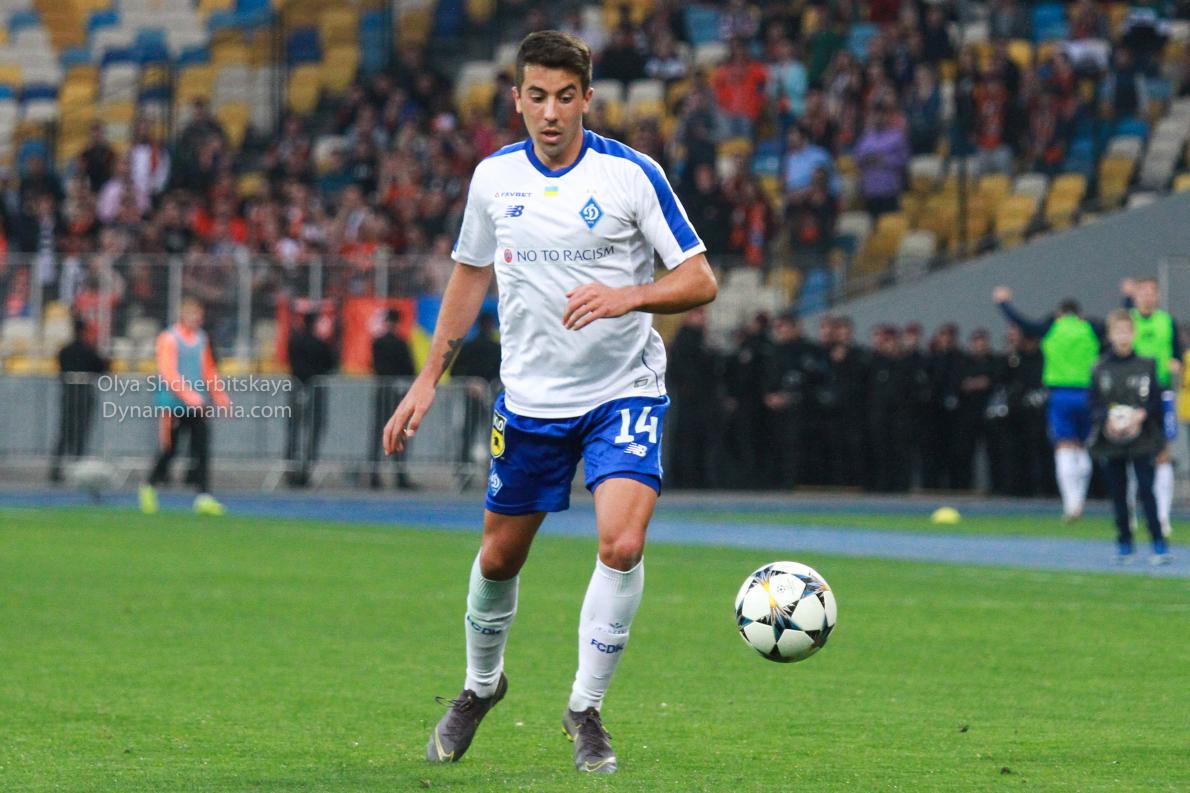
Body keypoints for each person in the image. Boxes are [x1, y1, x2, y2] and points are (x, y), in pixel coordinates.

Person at [383, 31, 717, 774]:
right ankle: (481, 686)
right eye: (537, 97)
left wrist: (630, 295)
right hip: (532, 399)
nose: (552, 112)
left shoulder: (632, 175)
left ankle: (585, 709)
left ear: (587, 99)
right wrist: (428, 377)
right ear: (517, 99)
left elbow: (700, 279)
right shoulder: (494, 179)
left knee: (622, 543)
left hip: (623, 389)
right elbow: (470, 275)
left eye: (566, 97)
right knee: (499, 556)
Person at [994, 286, 1103, 521]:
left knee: (1064, 447)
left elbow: (1023, 324)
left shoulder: (1052, 328)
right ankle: (1080, 498)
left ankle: (1071, 504)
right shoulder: (1090, 329)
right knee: (1083, 447)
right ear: (1079, 314)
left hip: (1060, 394)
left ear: (1059, 313)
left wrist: (1003, 303)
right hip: (1087, 394)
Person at [1089, 310, 1170, 564]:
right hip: (1111, 440)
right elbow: (1093, 403)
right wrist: (1107, 419)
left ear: (1133, 334)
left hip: (1142, 438)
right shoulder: (1100, 367)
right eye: (1118, 332)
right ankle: (1125, 542)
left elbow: (1156, 402)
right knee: (1118, 493)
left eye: (1127, 331)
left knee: (1147, 491)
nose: (1123, 337)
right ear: (1110, 335)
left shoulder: (1147, 365)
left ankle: (1158, 542)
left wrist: (1141, 415)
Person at [139, 297, 230, 516]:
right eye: (191, 314)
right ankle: (149, 485)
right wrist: (189, 395)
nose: (196, 318)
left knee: (202, 448)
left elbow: (208, 369)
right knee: (170, 449)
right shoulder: (169, 338)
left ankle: (203, 497)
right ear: (182, 315)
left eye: (198, 314)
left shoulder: (201, 339)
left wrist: (220, 396)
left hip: (196, 404)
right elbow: (168, 371)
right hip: (173, 403)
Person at [1121, 277, 1182, 537]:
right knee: (1131, 453)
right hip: (1133, 394)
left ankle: (1162, 516)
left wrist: (1176, 363)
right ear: (1136, 296)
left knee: (1162, 453)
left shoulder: (1167, 322)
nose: (1147, 297)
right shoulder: (1128, 320)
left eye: (1152, 292)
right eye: (1143, 292)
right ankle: (1130, 512)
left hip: (1162, 393)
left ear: (1157, 296)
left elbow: (1177, 353)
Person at [50, 317, 109, 483]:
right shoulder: (89, 351)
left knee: (64, 432)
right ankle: (77, 468)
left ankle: (56, 469)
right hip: (83, 396)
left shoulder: (64, 351)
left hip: (68, 395)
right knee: (81, 433)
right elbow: (102, 368)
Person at [286, 310, 337, 488]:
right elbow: (331, 364)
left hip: (296, 388)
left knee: (293, 431)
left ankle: (291, 470)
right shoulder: (319, 344)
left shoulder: (294, 341)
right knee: (313, 431)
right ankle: (305, 470)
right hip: (315, 390)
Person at [370, 308, 416, 489]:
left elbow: (375, 365)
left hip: (382, 391)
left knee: (377, 433)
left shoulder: (377, 342)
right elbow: (409, 367)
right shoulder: (401, 343)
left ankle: (374, 474)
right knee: (399, 432)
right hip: (397, 393)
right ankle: (400, 475)